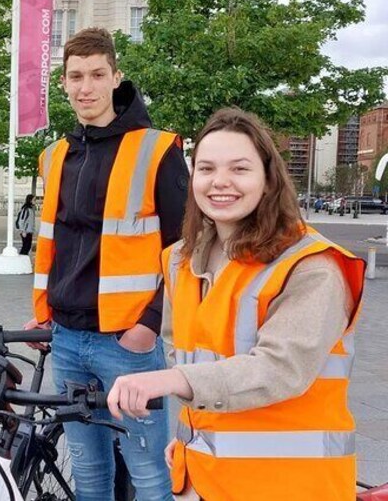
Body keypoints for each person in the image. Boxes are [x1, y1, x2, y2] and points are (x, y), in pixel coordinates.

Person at [107, 108, 365, 500]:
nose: (220, 182)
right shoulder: (181, 260)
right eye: (207, 168)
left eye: (240, 169)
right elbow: (190, 359)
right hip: (205, 481)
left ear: (267, 179)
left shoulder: (312, 266)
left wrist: (166, 381)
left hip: (288, 488)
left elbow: (280, 368)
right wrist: (191, 440)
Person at [25, 27, 189, 501]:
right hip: (68, 339)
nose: (86, 87)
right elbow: (55, 244)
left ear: (116, 77)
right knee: (91, 476)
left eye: (97, 74)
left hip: (128, 343)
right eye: (75, 76)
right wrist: (44, 313)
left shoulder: (157, 150)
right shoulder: (55, 155)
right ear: (63, 83)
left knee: (151, 477)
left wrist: (151, 325)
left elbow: (187, 250)